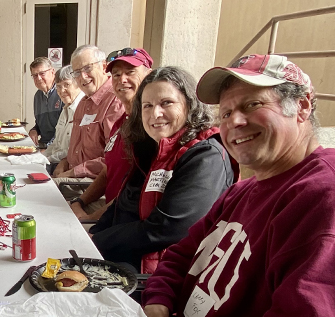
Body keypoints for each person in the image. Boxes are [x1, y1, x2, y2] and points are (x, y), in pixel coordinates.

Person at [24, 54, 332, 317]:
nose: (235, 122)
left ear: (304, 106)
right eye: (227, 111)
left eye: (254, 105)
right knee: (68, 299)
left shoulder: (320, 201)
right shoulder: (249, 189)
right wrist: (157, 304)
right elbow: (183, 252)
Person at [89, 66, 236, 274]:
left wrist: (98, 240)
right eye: (147, 106)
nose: (155, 114)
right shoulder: (151, 147)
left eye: (166, 103)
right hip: (120, 256)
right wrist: (93, 233)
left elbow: (167, 228)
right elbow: (123, 203)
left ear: (189, 104)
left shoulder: (206, 156)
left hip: (156, 277)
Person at [69, 47, 153, 221]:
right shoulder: (122, 121)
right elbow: (107, 172)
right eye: (116, 75)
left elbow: (131, 195)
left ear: (149, 76)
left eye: (130, 72)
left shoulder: (150, 129)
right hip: (104, 209)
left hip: (121, 219)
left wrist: (89, 219)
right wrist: (79, 202)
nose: (122, 80)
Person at [52, 45, 124, 198]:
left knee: (39, 195)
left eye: (87, 68)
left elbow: (115, 160)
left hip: (94, 185)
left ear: (104, 67)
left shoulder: (116, 101)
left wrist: (73, 172)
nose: (82, 77)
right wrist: (64, 162)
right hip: (74, 179)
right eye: (77, 72)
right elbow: (77, 148)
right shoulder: (84, 103)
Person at [42, 65, 85, 174]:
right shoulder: (66, 108)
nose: (62, 90)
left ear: (78, 84)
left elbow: (72, 150)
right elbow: (56, 143)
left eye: (67, 85)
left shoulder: (82, 109)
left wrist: (47, 159)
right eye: (58, 86)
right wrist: (41, 157)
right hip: (54, 161)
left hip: (69, 167)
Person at [28, 57, 63, 148]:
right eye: (35, 75)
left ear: (52, 72)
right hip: (43, 145)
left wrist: (47, 149)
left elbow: (64, 130)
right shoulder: (38, 96)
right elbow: (41, 124)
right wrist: (34, 130)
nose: (38, 78)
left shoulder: (63, 93)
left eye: (42, 73)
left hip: (59, 148)